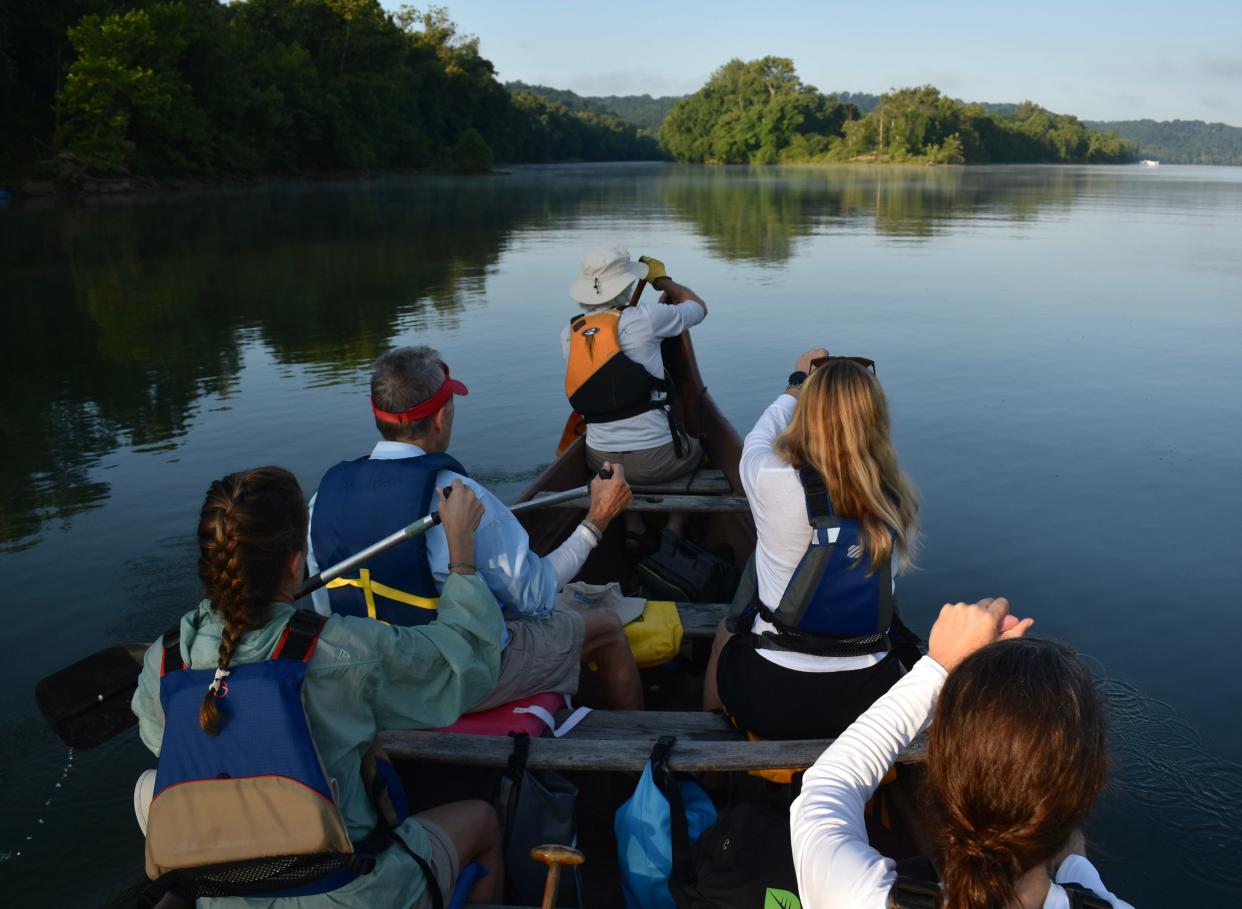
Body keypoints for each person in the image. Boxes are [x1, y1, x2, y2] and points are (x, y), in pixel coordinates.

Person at [132, 466, 505, 908]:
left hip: (228, 897)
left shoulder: (166, 658)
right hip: (350, 891)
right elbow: (467, 663)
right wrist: (462, 552)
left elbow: (161, 739)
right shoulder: (345, 650)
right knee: (482, 823)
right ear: (296, 562)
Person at [309, 346, 644, 711]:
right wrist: (597, 520)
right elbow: (537, 595)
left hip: (368, 675)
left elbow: (325, 606)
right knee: (607, 626)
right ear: (440, 418)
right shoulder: (461, 496)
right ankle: (639, 758)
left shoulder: (321, 499)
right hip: (450, 681)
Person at [791, 598, 1135, 909]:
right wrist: (1080, 873)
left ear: (938, 775)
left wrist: (938, 666)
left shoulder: (851, 895)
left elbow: (832, 780)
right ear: (1088, 792)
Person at [702, 348, 919, 739]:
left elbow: (761, 435)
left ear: (808, 415)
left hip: (774, 697)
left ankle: (710, 779)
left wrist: (796, 384)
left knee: (726, 632)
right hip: (867, 701)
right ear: (876, 420)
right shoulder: (896, 497)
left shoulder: (768, 477)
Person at [562, 247, 709, 545]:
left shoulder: (570, 333)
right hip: (656, 461)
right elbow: (698, 308)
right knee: (701, 451)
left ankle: (633, 526)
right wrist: (664, 282)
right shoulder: (646, 318)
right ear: (627, 283)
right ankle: (675, 528)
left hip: (599, 459)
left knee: (621, 454)